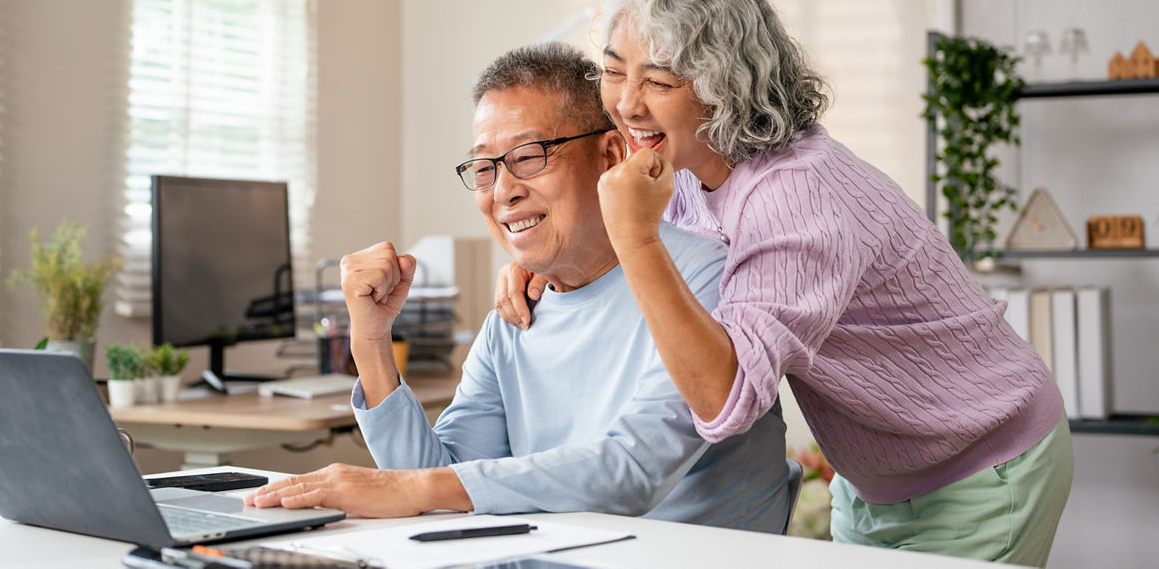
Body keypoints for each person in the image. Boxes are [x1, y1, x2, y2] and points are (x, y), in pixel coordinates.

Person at [494, 0, 1073, 565]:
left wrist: (634, 239)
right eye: (614, 72)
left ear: (726, 86)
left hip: (979, 466)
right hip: (872, 479)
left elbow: (726, 401)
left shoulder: (794, 194)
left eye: (659, 82)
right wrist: (555, 259)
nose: (628, 104)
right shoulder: (683, 168)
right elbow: (627, 258)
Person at [247, 42, 790, 531]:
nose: (502, 191)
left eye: (529, 157)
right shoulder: (515, 314)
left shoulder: (705, 275)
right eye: (484, 168)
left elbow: (633, 469)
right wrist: (369, 342)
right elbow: (436, 485)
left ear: (610, 155)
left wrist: (414, 489)